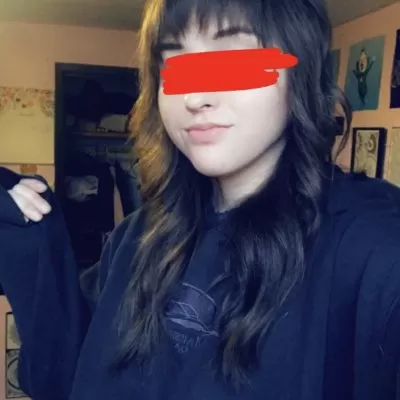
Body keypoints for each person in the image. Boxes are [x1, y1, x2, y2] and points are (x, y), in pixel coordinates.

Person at [1, 0, 400, 399]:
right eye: (173, 64)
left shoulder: (374, 247)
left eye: (231, 60)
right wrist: (31, 232)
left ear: (302, 69)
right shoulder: (138, 238)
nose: (193, 96)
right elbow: (67, 375)